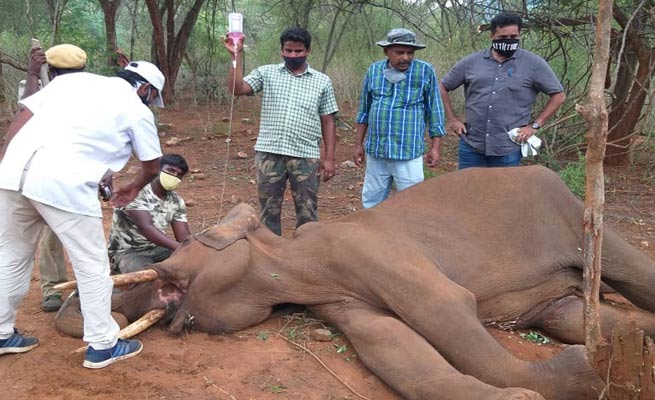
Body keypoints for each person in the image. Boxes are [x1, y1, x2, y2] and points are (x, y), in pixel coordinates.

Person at [0, 55, 166, 369]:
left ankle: (1, 333)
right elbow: (152, 165)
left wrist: (5, 157)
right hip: (63, 182)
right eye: (152, 98)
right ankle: (103, 344)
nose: (150, 103)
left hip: (12, 173)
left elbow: (26, 113)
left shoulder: (72, 82)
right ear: (145, 89)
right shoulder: (136, 109)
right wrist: (133, 186)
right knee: (91, 264)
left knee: (9, 255)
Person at [223, 27, 339, 236]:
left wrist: (329, 158)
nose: (293, 55)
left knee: (307, 211)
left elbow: (328, 120)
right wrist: (235, 56)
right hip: (270, 152)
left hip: (305, 154)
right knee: (269, 211)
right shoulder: (266, 73)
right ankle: (270, 256)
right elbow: (236, 88)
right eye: (288, 51)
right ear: (281, 50)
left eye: (298, 51)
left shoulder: (322, 81)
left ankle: (305, 253)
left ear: (308, 51)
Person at [439, 12, 566, 169]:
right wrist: (452, 119)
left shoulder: (534, 64)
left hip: (507, 149)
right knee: (467, 191)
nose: (508, 41)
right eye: (502, 37)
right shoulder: (471, 62)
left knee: (504, 193)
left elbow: (558, 95)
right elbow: (443, 86)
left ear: (520, 35)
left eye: (513, 36)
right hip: (472, 146)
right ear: (492, 36)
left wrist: (534, 126)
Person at [19, 44, 86, 313]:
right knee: (51, 236)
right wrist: (33, 75)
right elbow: (26, 113)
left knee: (80, 234)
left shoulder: (88, 94)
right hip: (45, 171)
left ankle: (85, 286)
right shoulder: (35, 87)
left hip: (77, 171)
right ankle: (52, 289)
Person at [354, 28, 446, 209]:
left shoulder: (424, 71)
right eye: (399, 52)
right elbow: (364, 110)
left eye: (409, 53)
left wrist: (435, 148)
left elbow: (435, 111)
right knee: (372, 202)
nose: (405, 57)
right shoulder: (374, 71)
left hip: (408, 152)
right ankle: (374, 237)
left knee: (412, 204)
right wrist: (358, 145)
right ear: (387, 51)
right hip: (377, 151)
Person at [108, 154, 190, 274]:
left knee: (190, 267)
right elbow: (146, 227)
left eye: (179, 175)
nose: (174, 176)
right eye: (170, 170)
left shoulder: (177, 201)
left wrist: (191, 251)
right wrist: (181, 249)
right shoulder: (136, 192)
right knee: (146, 277)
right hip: (127, 251)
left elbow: (183, 237)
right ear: (158, 170)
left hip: (157, 249)